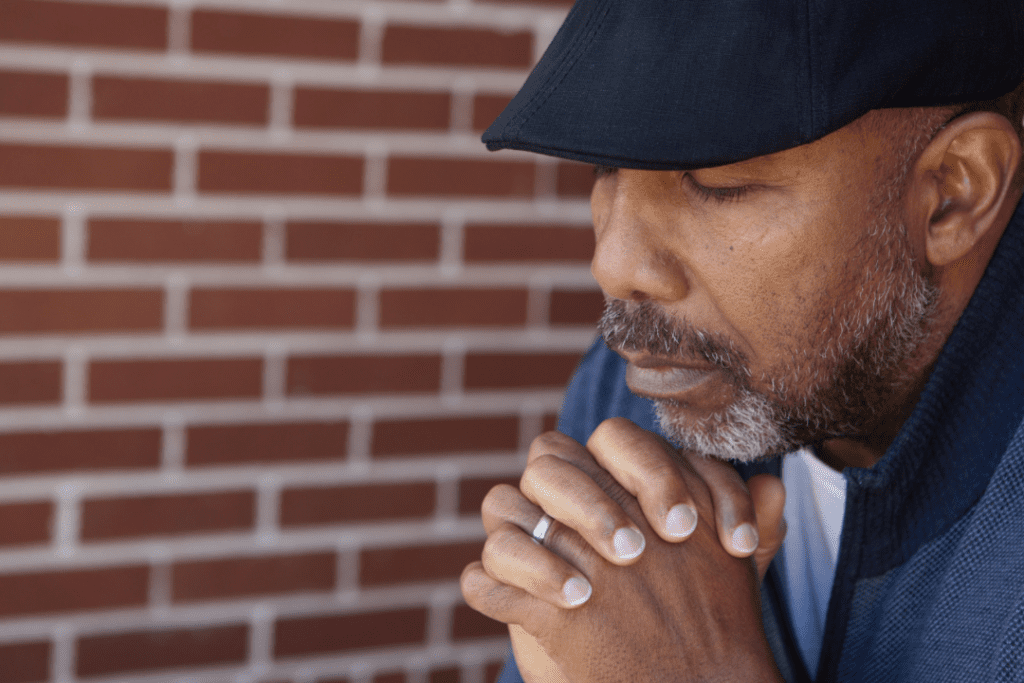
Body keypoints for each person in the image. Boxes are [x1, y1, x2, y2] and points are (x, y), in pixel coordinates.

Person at [459, 0, 1024, 681]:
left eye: (718, 183)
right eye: (604, 167)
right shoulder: (648, 383)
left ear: (953, 194)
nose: (615, 264)